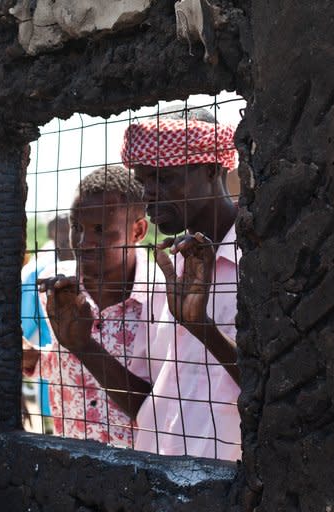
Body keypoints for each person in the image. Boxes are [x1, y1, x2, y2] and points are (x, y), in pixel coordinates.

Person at [121, 108, 242, 460]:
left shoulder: (261, 261)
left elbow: (279, 388)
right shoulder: (167, 268)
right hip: (157, 474)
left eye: (164, 178)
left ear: (210, 169)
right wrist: (81, 346)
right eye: (143, 180)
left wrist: (200, 326)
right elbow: (151, 391)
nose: (149, 195)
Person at [27, 165, 166, 447]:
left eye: (101, 230)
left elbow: (164, 406)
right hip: (67, 462)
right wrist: (32, 360)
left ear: (138, 230)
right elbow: (67, 366)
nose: (84, 242)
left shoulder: (161, 298)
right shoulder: (56, 290)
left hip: (141, 472)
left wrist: (84, 345)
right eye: (77, 228)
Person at [21, 214, 73, 433]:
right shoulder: (39, 270)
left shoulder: (92, 266)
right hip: (48, 356)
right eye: (61, 232)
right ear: (52, 233)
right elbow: (26, 322)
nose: (66, 237)